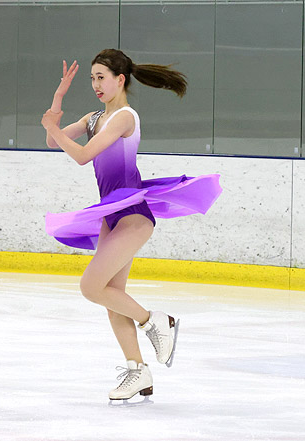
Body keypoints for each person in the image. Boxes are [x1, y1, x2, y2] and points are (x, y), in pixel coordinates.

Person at [41, 49, 222, 402]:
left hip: (133, 214)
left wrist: (52, 126)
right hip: (112, 214)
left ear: (120, 79)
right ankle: (138, 371)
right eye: (92, 78)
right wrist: (58, 100)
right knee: (112, 298)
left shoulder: (124, 117)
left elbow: (81, 156)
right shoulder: (94, 117)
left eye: (101, 77)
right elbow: (53, 140)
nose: (95, 84)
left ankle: (156, 321)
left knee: (91, 286)